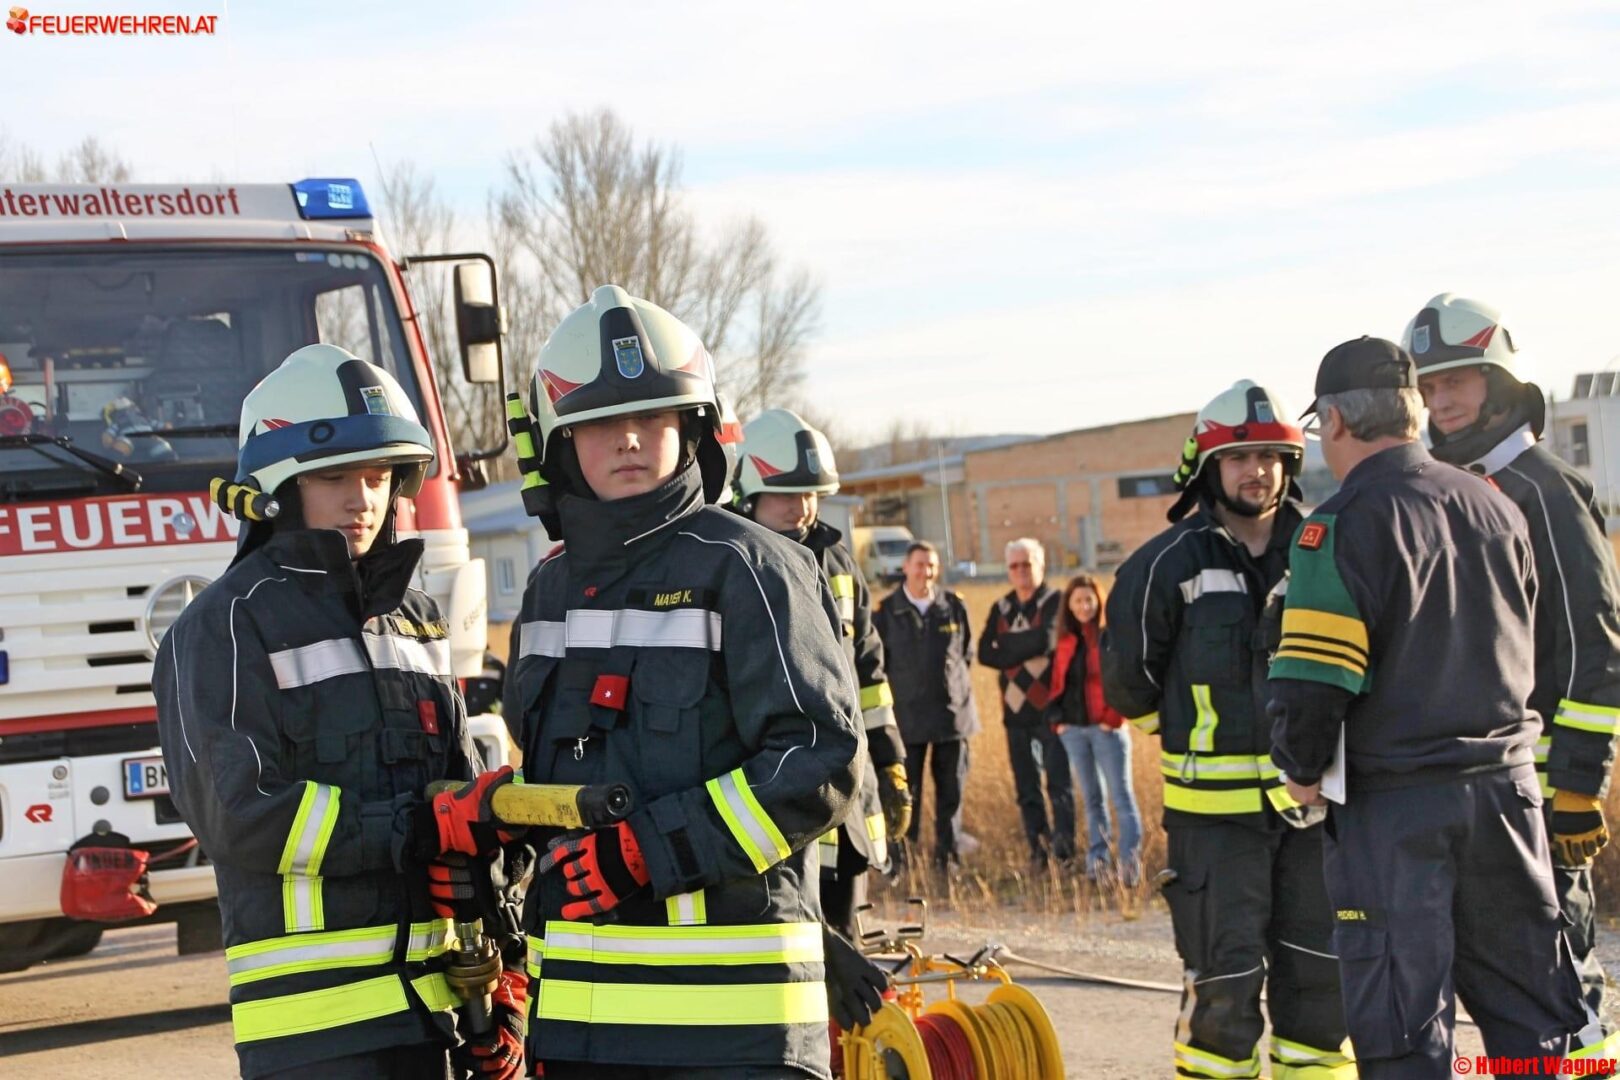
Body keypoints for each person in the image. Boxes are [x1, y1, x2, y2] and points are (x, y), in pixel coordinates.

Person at [503, 285, 863, 1079]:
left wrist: (647, 852)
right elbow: (545, 784)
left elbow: (821, 761)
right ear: (560, 443)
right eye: (599, 422)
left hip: (738, 1030)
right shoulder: (548, 591)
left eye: (654, 417)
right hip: (581, 1027)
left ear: (693, 427)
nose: (629, 439)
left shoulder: (754, 566)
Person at [153, 344, 525, 1080]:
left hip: (440, 1016)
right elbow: (237, 811)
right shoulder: (222, 628)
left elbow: (461, 802)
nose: (363, 499)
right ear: (278, 491)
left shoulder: (414, 620)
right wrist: (408, 828)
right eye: (333, 477)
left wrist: (504, 971)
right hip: (315, 1033)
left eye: (379, 476)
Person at [1269, 336, 1614, 1078]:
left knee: (1403, 1031)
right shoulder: (1494, 506)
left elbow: (1315, 684)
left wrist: (1298, 768)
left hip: (1397, 813)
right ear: (1414, 413)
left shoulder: (1337, 527)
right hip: (1508, 802)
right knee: (1534, 1019)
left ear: (1333, 423)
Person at [1103, 379, 1351, 1080]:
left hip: (1313, 817)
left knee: (1321, 989)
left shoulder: (1323, 551)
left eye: (1271, 456)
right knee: (1222, 991)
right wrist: (1194, 736)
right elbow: (1128, 680)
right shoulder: (1163, 565)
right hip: (1213, 827)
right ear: (1209, 467)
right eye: (1240, 456)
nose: (1257, 471)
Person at [1407, 293, 1620, 1016]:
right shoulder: (1448, 494)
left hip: (1542, 787)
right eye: (1428, 386)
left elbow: (1599, 642)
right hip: (1475, 789)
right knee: (1508, 995)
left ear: (1497, 380)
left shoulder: (1545, 491)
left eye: (1456, 380)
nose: (1440, 400)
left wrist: (1580, 784)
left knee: (1562, 989)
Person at [732, 407, 911, 940]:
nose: (802, 506)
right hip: (775, 816)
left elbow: (869, 678)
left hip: (850, 805)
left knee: (849, 955)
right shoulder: (732, 563)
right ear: (749, 494)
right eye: (787, 492)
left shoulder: (839, 563)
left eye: (811, 492)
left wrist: (893, 761)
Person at [873, 541, 979, 870]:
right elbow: (878, 665)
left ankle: (947, 860)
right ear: (905, 567)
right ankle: (901, 863)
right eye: (919, 565)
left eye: (931, 565)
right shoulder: (887, 612)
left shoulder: (953, 606)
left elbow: (966, 655)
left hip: (952, 718)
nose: (926, 572)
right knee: (906, 797)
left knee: (951, 794)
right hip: (907, 721)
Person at [977, 538, 1077, 869]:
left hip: (1051, 709)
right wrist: (1023, 648)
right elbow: (984, 653)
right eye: (1014, 565)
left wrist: (1008, 648)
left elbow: (1045, 640)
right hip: (1014, 712)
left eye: (1027, 564)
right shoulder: (1001, 607)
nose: (1021, 571)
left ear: (1041, 565)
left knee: (1058, 784)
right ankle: (1039, 851)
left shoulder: (1054, 600)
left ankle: (1064, 854)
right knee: (1026, 788)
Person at [1046, 573, 1142, 886]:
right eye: (1078, 601)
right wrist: (1058, 722)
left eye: (1089, 599)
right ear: (1069, 606)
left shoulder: (1111, 636)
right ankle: (1097, 869)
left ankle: (1129, 870)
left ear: (1098, 601)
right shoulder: (1065, 641)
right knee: (1092, 800)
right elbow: (1058, 683)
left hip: (1107, 730)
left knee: (1122, 798)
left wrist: (1113, 718)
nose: (1084, 606)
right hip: (1075, 731)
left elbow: (1124, 679)